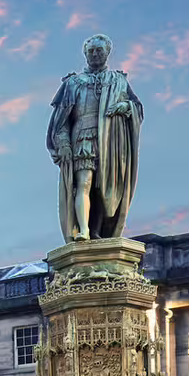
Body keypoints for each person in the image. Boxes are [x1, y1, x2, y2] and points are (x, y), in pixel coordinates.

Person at [46, 34, 144, 241]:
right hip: (83, 136)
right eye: (91, 51)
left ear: (108, 52)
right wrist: (63, 144)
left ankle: (96, 231)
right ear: (85, 54)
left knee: (102, 188)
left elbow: (137, 107)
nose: (95, 54)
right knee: (84, 182)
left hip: (111, 141)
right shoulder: (73, 83)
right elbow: (60, 121)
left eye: (99, 50)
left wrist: (125, 106)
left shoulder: (119, 80)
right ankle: (83, 230)